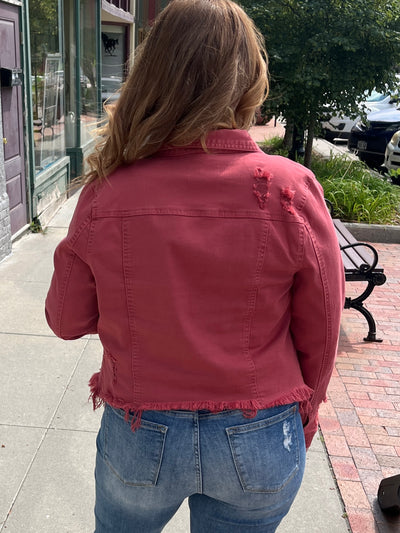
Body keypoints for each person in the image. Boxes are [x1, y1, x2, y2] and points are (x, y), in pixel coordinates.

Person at [45, 1, 345, 531]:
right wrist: (309, 407)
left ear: (151, 75)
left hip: (141, 430)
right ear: (248, 78)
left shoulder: (109, 189)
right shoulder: (288, 187)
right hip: (260, 428)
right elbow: (321, 325)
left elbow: (66, 320)